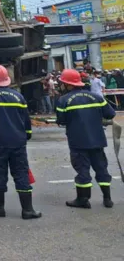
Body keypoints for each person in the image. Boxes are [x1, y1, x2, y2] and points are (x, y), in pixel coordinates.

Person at [0, 64, 41, 220]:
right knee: (21, 174)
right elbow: (26, 121)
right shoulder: (19, 97)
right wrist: (26, 135)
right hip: (18, 142)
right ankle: (28, 210)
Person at [56, 68, 116, 209]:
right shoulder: (96, 97)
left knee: (82, 171)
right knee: (101, 169)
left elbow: (61, 120)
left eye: (63, 83)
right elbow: (110, 114)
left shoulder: (64, 100)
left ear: (68, 84)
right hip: (97, 140)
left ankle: (83, 200)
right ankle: (107, 199)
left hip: (78, 142)